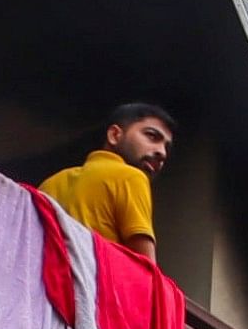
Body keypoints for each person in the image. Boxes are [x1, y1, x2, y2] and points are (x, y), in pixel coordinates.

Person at [42, 101, 174, 260]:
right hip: (98, 283)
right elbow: (146, 271)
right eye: (152, 136)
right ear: (115, 135)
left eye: (166, 146)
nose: (162, 153)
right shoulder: (131, 177)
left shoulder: (50, 184)